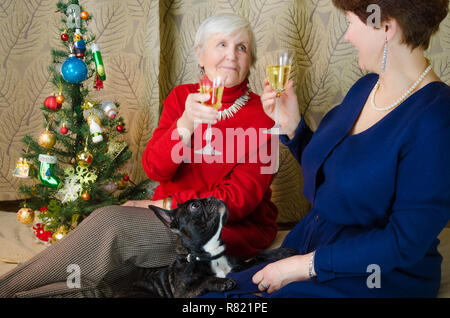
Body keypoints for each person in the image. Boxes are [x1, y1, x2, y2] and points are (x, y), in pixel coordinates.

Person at [0, 13, 278, 297]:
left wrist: (160, 203)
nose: (232, 54)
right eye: (221, 44)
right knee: (103, 280)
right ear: (200, 54)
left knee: (110, 223)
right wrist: (184, 126)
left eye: (241, 47)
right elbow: (155, 169)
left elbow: (237, 202)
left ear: (251, 60)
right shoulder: (181, 98)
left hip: (219, 232)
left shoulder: (265, 117)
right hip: (168, 220)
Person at [202, 0, 450, 298]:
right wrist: (294, 128)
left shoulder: (437, 117)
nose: (347, 36)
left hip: (376, 275)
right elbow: (336, 178)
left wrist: (302, 267)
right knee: (209, 297)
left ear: (385, 27)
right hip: (314, 245)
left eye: (350, 22)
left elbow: (403, 242)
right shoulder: (366, 87)